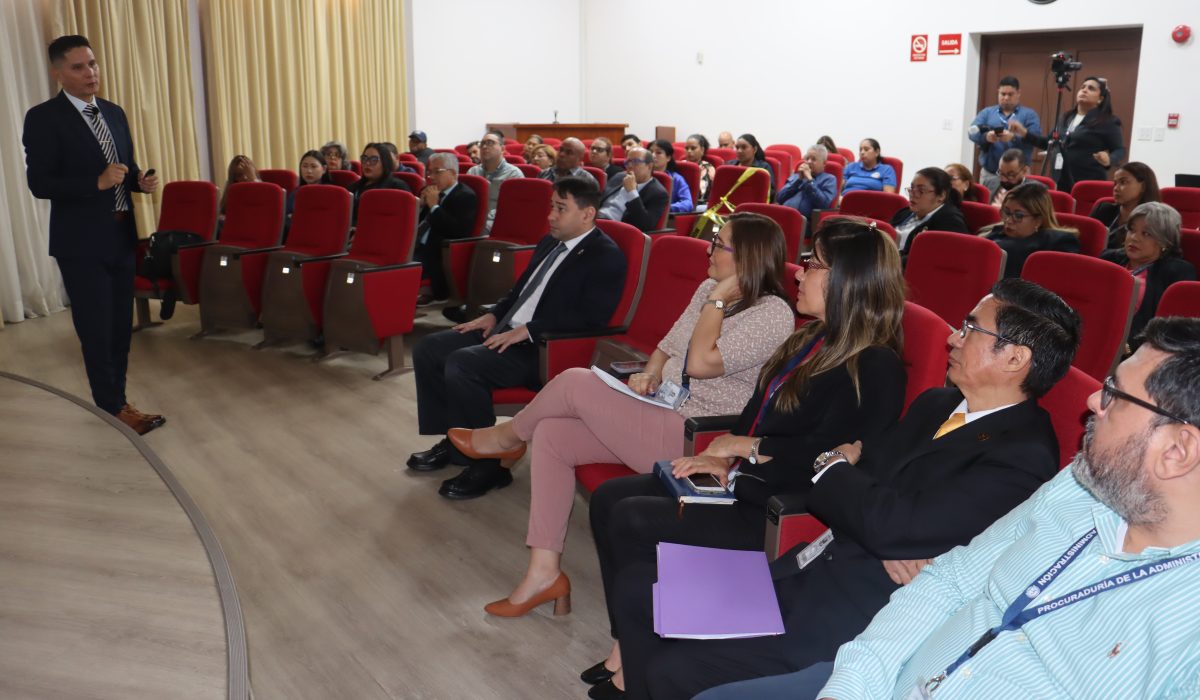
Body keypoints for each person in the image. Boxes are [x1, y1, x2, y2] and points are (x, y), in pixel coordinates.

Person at [649, 279, 1082, 700]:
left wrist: (843, 476)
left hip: (855, 615)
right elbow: (872, 504)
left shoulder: (1023, 455)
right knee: (650, 603)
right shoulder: (936, 403)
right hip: (811, 570)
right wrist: (873, 511)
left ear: (1014, 358)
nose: (953, 338)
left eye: (971, 329)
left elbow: (881, 513)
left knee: (676, 668)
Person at [740, 317, 1200, 700]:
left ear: (1178, 450)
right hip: (886, 676)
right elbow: (947, 583)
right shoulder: (1075, 487)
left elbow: (890, 523)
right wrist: (849, 688)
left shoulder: (1186, 631)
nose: (1093, 401)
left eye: (1115, 394)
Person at [585, 219, 909, 698]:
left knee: (634, 518)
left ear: (848, 280)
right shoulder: (810, 339)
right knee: (611, 499)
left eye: (813, 265)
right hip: (745, 483)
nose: (799, 272)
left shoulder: (874, 365)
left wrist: (744, 449)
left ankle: (637, 665)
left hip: (781, 510)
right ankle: (630, 650)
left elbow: (827, 459)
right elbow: (755, 415)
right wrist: (724, 456)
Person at [448, 213, 795, 618]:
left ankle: (506, 439)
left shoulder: (772, 314)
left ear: (749, 258)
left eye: (720, 244)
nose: (709, 249)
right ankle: (544, 573)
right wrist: (650, 373)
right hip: (660, 408)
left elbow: (700, 364)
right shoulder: (707, 287)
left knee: (574, 381)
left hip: (696, 438)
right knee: (553, 435)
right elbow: (667, 346)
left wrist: (718, 300)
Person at [408, 178, 627, 499]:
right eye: (551, 207)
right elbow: (519, 292)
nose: (550, 216)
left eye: (561, 209)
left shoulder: (605, 256)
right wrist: (494, 314)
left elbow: (591, 318)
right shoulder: (549, 242)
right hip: (506, 329)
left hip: (543, 347)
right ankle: (455, 442)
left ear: (587, 213)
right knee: (429, 349)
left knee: (462, 364)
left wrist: (530, 329)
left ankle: (490, 465)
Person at [22, 34, 164, 434]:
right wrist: (95, 182)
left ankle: (117, 402)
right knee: (97, 329)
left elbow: (125, 168)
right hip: (81, 244)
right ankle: (113, 406)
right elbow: (40, 183)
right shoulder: (44, 118)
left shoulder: (114, 113)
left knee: (120, 328)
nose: (91, 72)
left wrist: (138, 182)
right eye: (79, 67)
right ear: (58, 73)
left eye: (93, 63)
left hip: (121, 236)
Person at [1101, 202, 1197, 343]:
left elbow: (1174, 331)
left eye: (1146, 234)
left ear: (1164, 241)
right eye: (1132, 230)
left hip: (1139, 346)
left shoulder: (1177, 272)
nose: (1134, 238)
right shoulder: (1108, 259)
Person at [1010, 76, 1125, 192]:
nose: (1084, 90)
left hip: (1086, 183)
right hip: (1059, 180)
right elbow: (1048, 143)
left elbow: (1120, 150)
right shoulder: (1065, 118)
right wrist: (1024, 133)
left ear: (1100, 99)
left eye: (1091, 88)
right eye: (1083, 87)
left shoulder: (1107, 121)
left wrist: (1109, 159)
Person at [415, 153, 479, 305]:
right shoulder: (431, 192)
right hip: (417, 243)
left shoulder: (465, 196)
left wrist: (434, 207)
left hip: (437, 250)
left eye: (437, 172)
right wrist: (420, 206)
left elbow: (458, 231)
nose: (431, 177)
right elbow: (418, 223)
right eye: (430, 172)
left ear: (453, 173)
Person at [985, 181, 1080, 278]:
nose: (1008, 220)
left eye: (1018, 216)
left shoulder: (1058, 242)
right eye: (1006, 212)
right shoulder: (996, 232)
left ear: (1038, 220)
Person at [968, 75, 1042, 192]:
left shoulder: (1029, 115)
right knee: (989, 203)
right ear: (998, 92)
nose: (1006, 98)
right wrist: (986, 137)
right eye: (1003, 94)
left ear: (1018, 93)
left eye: (1010, 94)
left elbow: (1036, 138)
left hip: (1018, 176)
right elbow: (972, 132)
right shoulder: (987, 113)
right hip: (990, 173)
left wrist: (1013, 138)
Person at [890, 167, 969, 255]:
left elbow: (932, 257)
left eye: (921, 191)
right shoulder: (904, 213)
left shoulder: (951, 222)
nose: (912, 194)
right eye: (912, 188)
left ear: (941, 196)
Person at [1091, 161, 1162, 249]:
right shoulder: (1103, 209)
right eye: (1115, 183)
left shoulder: (1154, 221)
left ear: (1143, 186)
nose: (1116, 188)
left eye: (1123, 182)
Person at [597, 148, 669, 232]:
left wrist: (632, 192)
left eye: (635, 161)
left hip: (616, 229)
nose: (630, 166)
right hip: (595, 219)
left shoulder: (658, 193)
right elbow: (599, 200)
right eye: (627, 162)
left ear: (649, 166)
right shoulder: (619, 176)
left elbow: (645, 225)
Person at [467, 130, 522, 234]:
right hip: (473, 218)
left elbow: (513, 209)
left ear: (502, 149)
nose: (484, 147)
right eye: (482, 144)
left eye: (490, 143)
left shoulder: (514, 174)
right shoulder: (473, 172)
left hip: (498, 222)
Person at [345, 143, 411, 222]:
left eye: (374, 160)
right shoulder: (353, 188)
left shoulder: (398, 188)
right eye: (364, 158)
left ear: (385, 163)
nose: (367, 163)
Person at [776, 145, 838, 219]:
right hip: (783, 215)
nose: (809, 162)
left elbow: (823, 204)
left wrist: (810, 180)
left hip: (805, 220)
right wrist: (798, 180)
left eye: (813, 159)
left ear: (824, 163)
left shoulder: (829, 179)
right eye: (807, 158)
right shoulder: (796, 176)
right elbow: (779, 198)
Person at [650, 139, 694, 213]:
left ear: (668, 158)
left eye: (658, 152)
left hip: (667, 216)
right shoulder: (641, 176)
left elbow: (688, 203)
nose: (653, 155)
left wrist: (667, 208)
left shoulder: (676, 179)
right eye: (650, 152)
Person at [285, 150, 333, 215]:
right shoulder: (296, 192)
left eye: (313, 166)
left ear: (324, 169)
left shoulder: (331, 192)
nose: (309, 171)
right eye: (305, 166)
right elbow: (286, 216)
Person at [732, 133, 776, 202]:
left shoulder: (763, 168)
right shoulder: (729, 165)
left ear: (754, 149)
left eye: (744, 147)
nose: (739, 151)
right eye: (737, 148)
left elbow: (770, 192)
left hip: (754, 203)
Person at [683, 134, 718, 202]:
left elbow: (702, 195)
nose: (689, 151)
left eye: (693, 148)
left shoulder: (708, 168)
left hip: (700, 204)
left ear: (702, 150)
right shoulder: (680, 165)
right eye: (687, 148)